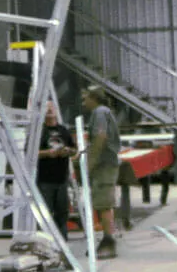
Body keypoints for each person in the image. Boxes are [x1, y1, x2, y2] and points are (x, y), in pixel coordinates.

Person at [81, 85, 121, 260]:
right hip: (104, 163)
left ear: (93, 98)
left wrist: (90, 162)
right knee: (102, 203)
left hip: (104, 164)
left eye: (85, 99)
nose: (83, 103)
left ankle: (109, 241)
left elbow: (100, 137)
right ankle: (106, 239)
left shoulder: (99, 112)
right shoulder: (102, 112)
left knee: (104, 204)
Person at [35, 101, 76, 240]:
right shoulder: (38, 131)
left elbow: (74, 150)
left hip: (62, 179)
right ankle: (45, 242)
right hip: (44, 180)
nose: (49, 110)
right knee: (45, 214)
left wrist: (68, 151)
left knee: (62, 213)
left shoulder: (64, 130)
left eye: (51, 107)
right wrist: (48, 153)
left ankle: (63, 242)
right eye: (46, 108)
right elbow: (30, 153)